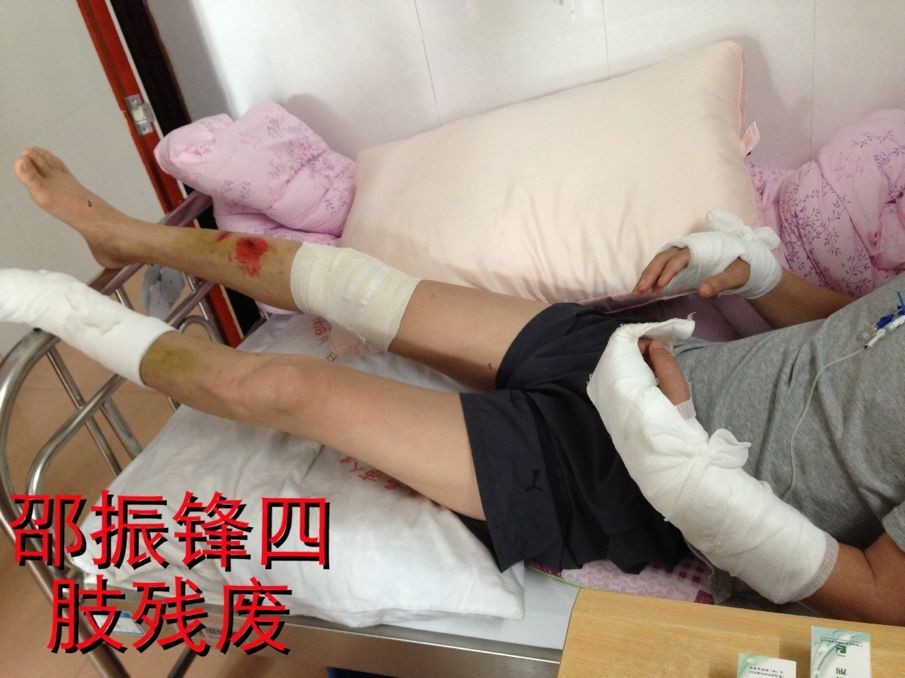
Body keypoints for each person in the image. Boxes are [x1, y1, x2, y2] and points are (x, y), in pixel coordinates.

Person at [3, 148, 903, 626]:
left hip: (634, 476)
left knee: (287, 389)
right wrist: (755, 274)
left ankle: (63, 310)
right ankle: (127, 236)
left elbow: (874, 598)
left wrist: (686, 472)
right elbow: (856, 330)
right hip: (644, 357)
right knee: (357, 287)